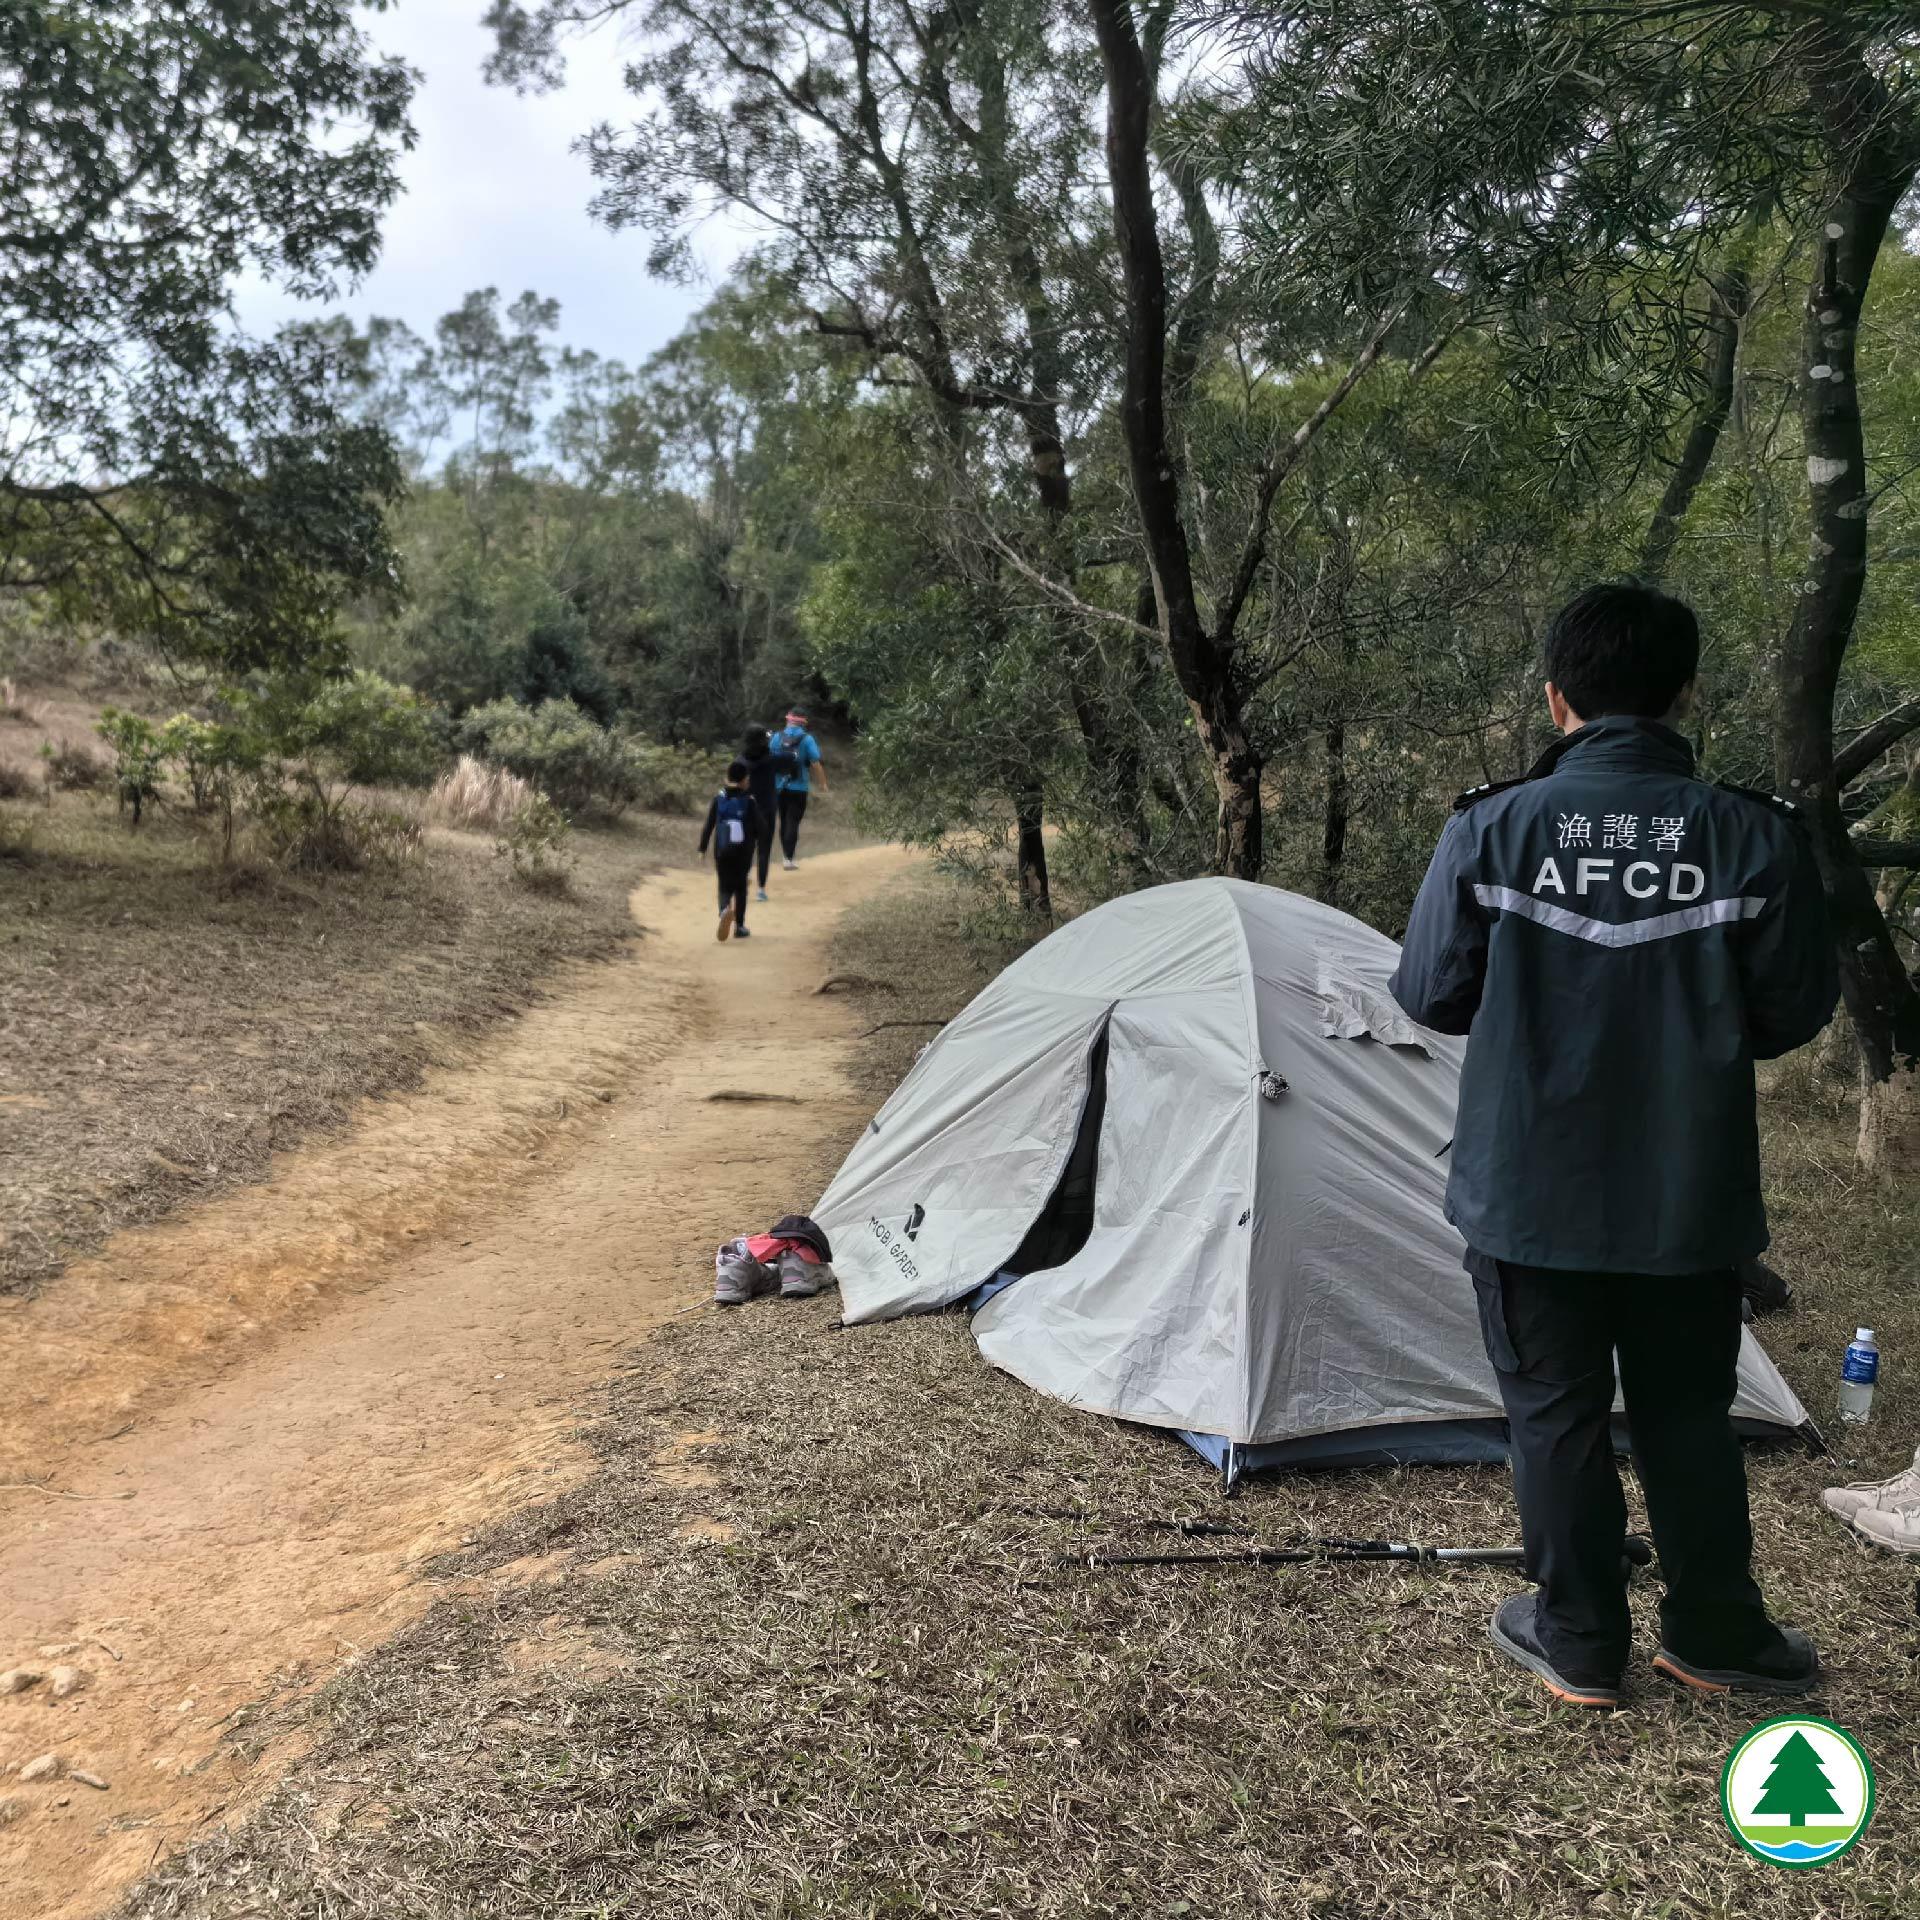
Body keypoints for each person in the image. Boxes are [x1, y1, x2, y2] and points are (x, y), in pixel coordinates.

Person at [1388, 580, 1838, 1709]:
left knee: (1554, 1414)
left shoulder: (1489, 830)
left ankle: (1580, 1639)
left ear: (1557, 701)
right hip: (1686, 1197)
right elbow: (1792, 1011)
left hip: (1526, 1195)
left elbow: (1431, 995)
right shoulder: (1751, 836)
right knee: (1690, 1414)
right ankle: (1715, 1633)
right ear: (1684, 693)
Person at [698, 759, 762, 942]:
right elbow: (760, 828)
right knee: (741, 888)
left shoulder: (718, 799)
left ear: (727, 777)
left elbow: (709, 825)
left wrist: (702, 849)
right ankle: (739, 926)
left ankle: (725, 909)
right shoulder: (749, 801)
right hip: (743, 853)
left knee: (724, 884)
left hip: (722, 850)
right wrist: (756, 842)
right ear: (743, 780)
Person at [739, 725, 798, 901]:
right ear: (763, 741)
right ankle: (761, 891)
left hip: (746, 810)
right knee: (764, 851)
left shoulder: (740, 761)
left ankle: (744, 878)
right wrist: (779, 743)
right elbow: (792, 757)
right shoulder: (771, 759)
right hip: (766, 811)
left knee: (747, 847)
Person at [769, 707, 827, 869]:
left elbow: (769, 759)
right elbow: (815, 763)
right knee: (793, 821)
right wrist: (823, 783)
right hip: (799, 787)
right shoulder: (807, 739)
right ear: (803, 722)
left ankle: (785, 856)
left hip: (778, 787)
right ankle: (789, 858)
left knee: (784, 820)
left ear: (788, 719)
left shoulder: (776, 737)